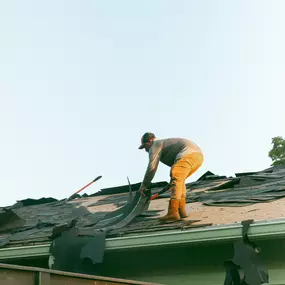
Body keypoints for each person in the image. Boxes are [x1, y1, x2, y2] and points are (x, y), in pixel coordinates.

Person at [138, 132, 204, 222]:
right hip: (197, 157)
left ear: (150, 141)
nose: (145, 150)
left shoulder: (155, 145)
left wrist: (144, 186)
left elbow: (152, 168)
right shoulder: (163, 144)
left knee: (176, 178)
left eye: (145, 146)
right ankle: (181, 210)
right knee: (179, 182)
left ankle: (173, 212)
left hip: (188, 155)